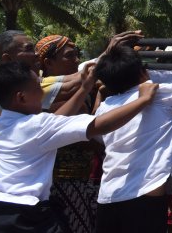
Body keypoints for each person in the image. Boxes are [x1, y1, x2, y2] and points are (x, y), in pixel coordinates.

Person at [0, 61, 157, 232]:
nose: (42, 92)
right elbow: (100, 124)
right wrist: (143, 99)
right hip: (24, 214)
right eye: (38, 87)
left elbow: (57, 121)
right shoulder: (37, 126)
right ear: (21, 97)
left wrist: (84, 88)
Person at [93, 40, 172, 233]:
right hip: (145, 198)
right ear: (142, 72)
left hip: (108, 197)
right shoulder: (161, 93)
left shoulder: (106, 108)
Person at [35, 34, 104, 233]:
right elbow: (85, 134)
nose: (76, 61)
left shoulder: (77, 90)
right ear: (48, 63)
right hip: (64, 183)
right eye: (69, 56)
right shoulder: (44, 95)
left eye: (76, 55)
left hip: (80, 179)